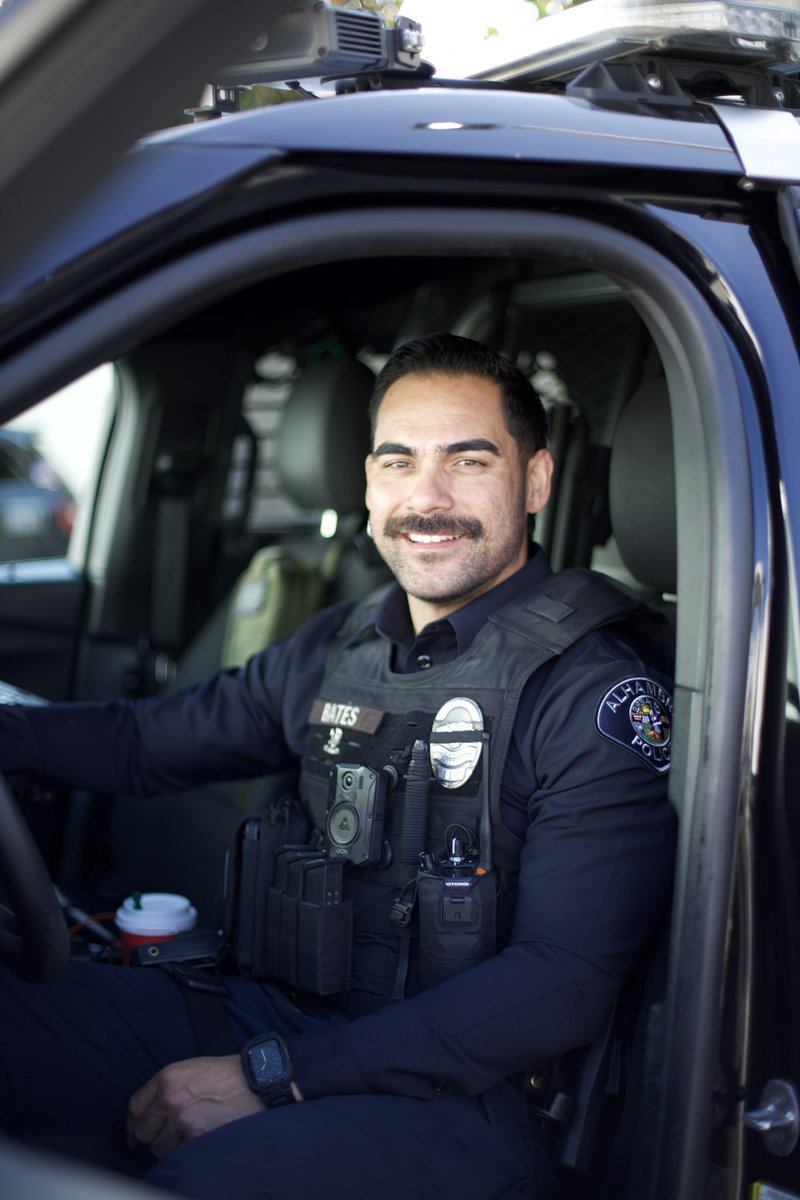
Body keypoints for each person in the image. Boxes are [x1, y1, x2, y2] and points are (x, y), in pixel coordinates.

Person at [0, 333, 676, 1200]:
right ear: (367, 484)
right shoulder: (341, 643)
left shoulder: (594, 693)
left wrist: (272, 1076)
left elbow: (564, 980)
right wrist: (12, 735)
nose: (426, 498)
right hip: (281, 1017)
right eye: (398, 463)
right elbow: (143, 742)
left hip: (466, 1099)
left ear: (535, 481)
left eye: (468, 461)